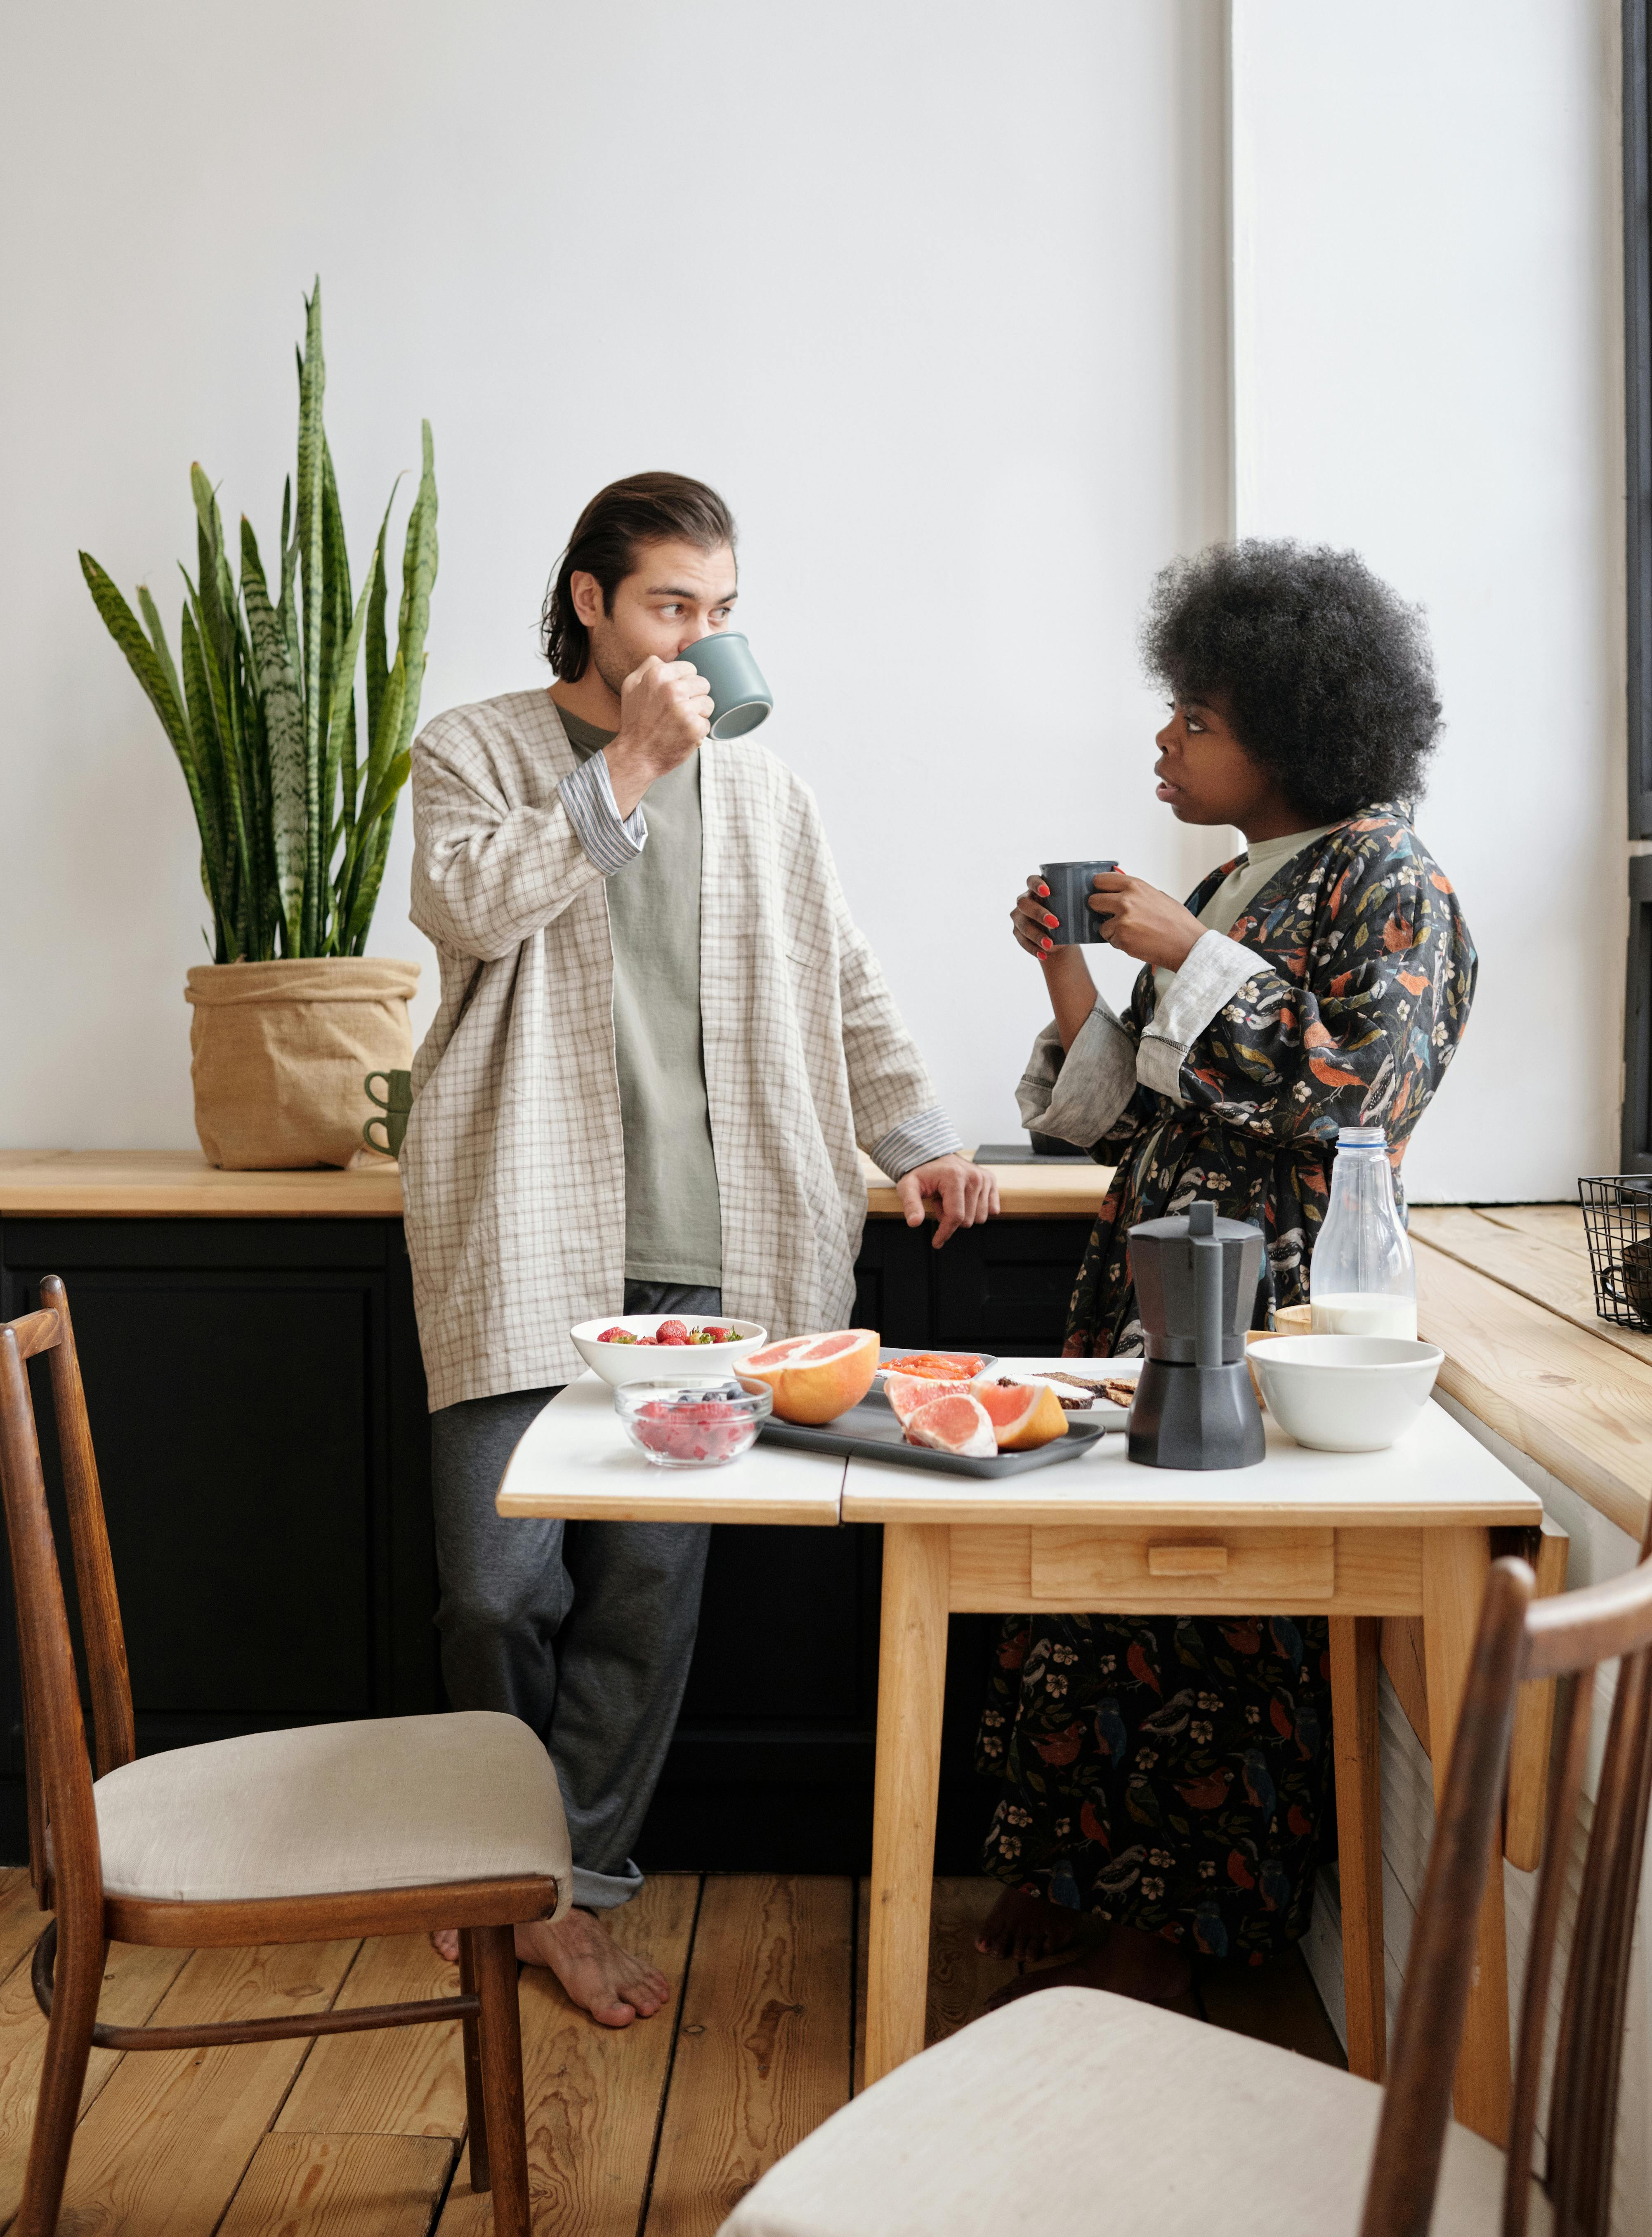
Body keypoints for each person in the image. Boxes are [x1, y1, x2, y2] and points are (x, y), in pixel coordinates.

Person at [400, 472, 996, 2027]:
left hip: (716, 1262)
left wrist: (921, 1135)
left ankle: (567, 1895)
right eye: (672, 605)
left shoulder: (768, 792)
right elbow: (463, 909)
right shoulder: (476, 748)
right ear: (591, 601)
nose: (699, 639)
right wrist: (631, 768)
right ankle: (494, 1867)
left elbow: (843, 980)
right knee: (492, 1586)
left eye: (721, 612)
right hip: (526, 1234)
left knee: (647, 1595)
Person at [975, 537, 1476, 2010]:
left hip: (1271, 1300)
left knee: (1211, 1613)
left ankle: (1183, 1922)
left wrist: (1189, 946)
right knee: (1101, 1588)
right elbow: (1135, 1110)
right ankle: (1078, 1871)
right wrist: (1073, 978)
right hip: (1153, 1282)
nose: (1164, 738)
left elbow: (1360, 1093)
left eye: (1195, 716)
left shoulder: (1392, 881)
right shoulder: (1241, 877)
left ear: (1295, 727)